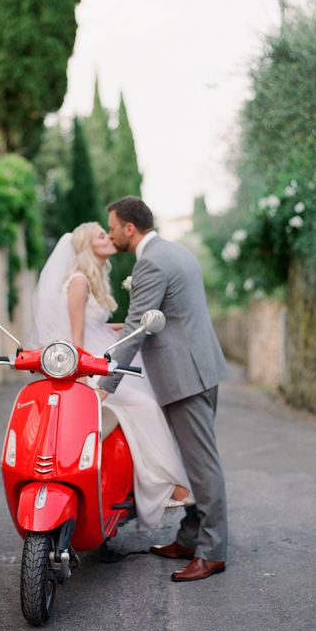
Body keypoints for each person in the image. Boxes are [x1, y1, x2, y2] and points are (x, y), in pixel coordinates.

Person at [97, 196, 229, 582]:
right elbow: (169, 315)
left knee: (202, 467)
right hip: (200, 366)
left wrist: (105, 386)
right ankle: (189, 538)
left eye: (113, 226)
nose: (111, 233)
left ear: (129, 228)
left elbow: (139, 328)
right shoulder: (176, 251)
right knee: (192, 462)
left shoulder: (151, 262)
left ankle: (212, 551)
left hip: (184, 376)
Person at [31, 221, 192, 529]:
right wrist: (85, 380)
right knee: (143, 404)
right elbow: (76, 340)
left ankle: (147, 483)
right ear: (88, 246)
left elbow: (92, 327)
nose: (109, 238)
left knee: (146, 398)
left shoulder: (89, 280)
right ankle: (169, 485)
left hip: (102, 357)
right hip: (88, 368)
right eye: (101, 235)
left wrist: (125, 328)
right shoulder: (78, 281)